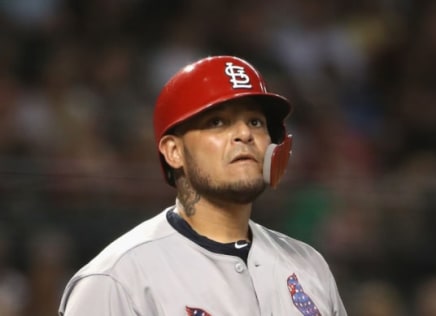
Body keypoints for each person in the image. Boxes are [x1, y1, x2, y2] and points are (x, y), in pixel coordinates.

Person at [58, 55, 348, 316]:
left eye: (256, 122)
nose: (244, 134)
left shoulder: (310, 266)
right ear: (173, 151)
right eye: (218, 121)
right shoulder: (118, 280)